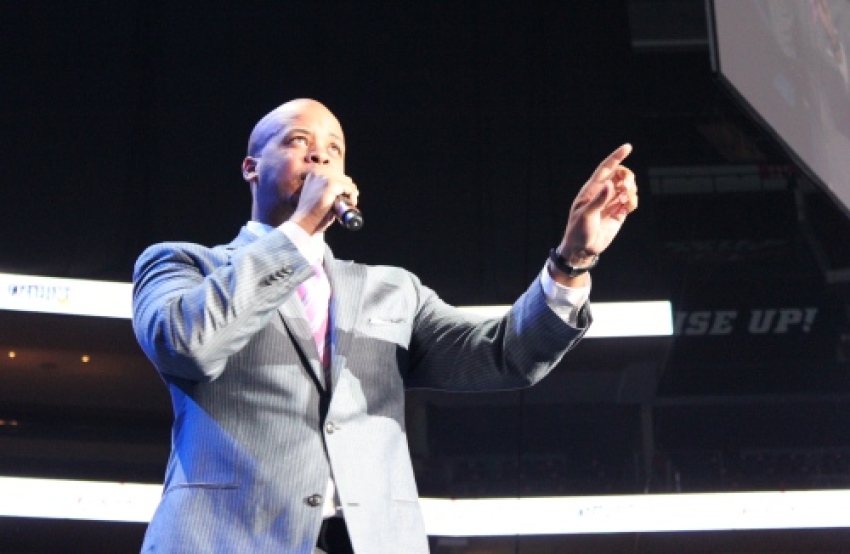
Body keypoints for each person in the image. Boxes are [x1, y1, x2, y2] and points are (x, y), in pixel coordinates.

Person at [131, 98, 638, 553]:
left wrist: (572, 260)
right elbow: (187, 344)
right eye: (297, 141)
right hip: (225, 540)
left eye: (334, 148)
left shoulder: (393, 290)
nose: (319, 156)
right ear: (250, 168)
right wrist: (301, 230)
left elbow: (506, 355)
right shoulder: (184, 265)